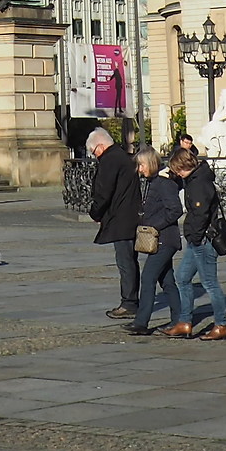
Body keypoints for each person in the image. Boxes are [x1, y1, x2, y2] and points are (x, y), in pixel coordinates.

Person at [170, 147, 226, 340]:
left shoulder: (199, 183)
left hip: (203, 239)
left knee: (209, 283)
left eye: (178, 170)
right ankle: (185, 321)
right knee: (182, 277)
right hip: (196, 238)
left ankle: (221, 324)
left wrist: (195, 237)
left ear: (184, 166)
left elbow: (201, 213)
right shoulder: (195, 179)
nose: (177, 174)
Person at [124, 147, 184, 336]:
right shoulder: (153, 182)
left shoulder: (163, 183)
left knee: (148, 278)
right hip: (160, 239)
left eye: (141, 165)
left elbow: (175, 210)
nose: (139, 169)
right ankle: (180, 319)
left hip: (165, 239)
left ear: (150, 163)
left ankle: (141, 322)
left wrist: (155, 226)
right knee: (167, 281)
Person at [86, 127, 142, 320]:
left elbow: (104, 191)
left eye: (94, 152)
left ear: (100, 146)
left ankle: (129, 303)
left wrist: (95, 213)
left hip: (121, 219)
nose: (95, 156)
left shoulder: (110, 160)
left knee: (125, 262)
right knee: (130, 261)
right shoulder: (123, 156)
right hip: (130, 216)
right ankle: (133, 299)